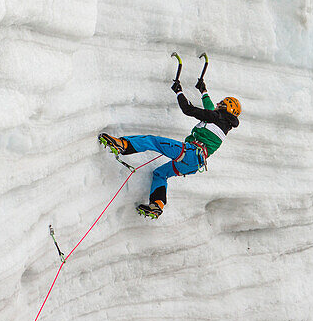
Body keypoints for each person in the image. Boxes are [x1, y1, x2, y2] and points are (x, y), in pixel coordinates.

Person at [98, 74, 241, 219]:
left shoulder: (216, 117)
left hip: (189, 152)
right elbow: (210, 107)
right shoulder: (223, 124)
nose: (217, 104)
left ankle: (123, 145)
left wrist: (179, 91)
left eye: (221, 104)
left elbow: (188, 109)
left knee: (152, 141)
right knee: (160, 174)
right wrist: (203, 91)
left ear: (224, 107)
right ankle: (157, 205)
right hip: (194, 165)